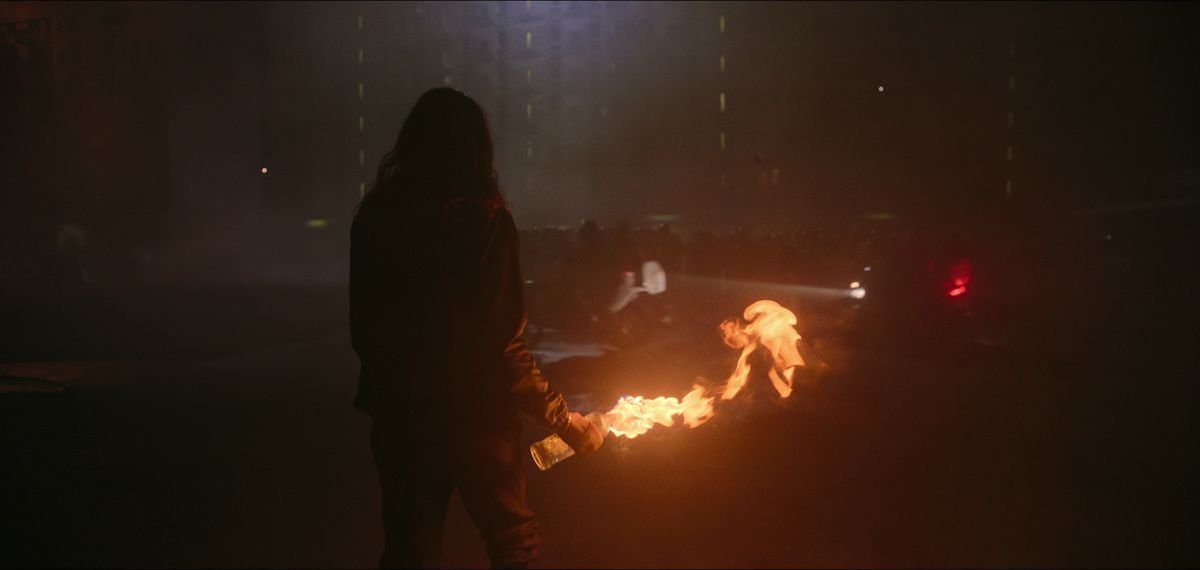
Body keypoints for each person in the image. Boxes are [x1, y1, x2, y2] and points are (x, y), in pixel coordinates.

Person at [350, 87, 604, 569]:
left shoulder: (376, 218)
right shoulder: (485, 223)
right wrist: (563, 422)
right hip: (477, 417)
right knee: (512, 541)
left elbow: (365, 331)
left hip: (403, 416)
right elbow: (503, 345)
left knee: (411, 549)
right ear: (476, 150)